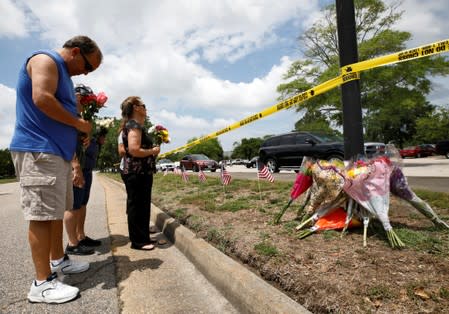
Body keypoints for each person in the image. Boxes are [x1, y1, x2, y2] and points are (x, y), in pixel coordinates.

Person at [9, 35, 102, 304]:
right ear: (75, 52)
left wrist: (76, 133)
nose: (87, 72)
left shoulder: (65, 75)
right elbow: (41, 98)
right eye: (88, 66)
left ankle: (58, 261)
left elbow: (57, 114)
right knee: (40, 215)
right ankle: (41, 284)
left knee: (52, 214)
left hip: (55, 152)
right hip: (38, 150)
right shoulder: (44, 60)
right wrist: (78, 123)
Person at [119, 96, 160, 250]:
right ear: (136, 108)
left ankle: (144, 237)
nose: (145, 108)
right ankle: (138, 241)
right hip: (137, 173)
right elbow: (134, 150)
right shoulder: (133, 125)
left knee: (143, 205)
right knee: (137, 206)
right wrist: (153, 151)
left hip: (142, 172)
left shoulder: (136, 125)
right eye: (143, 105)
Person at [64, 121, 108, 255]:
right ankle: (72, 244)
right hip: (78, 169)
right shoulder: (73, 122)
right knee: (74, 205)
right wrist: (75, 167)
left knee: (82, 204)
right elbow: (69, 144)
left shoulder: (90, 135)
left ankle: (80, 236)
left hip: (87, 170)